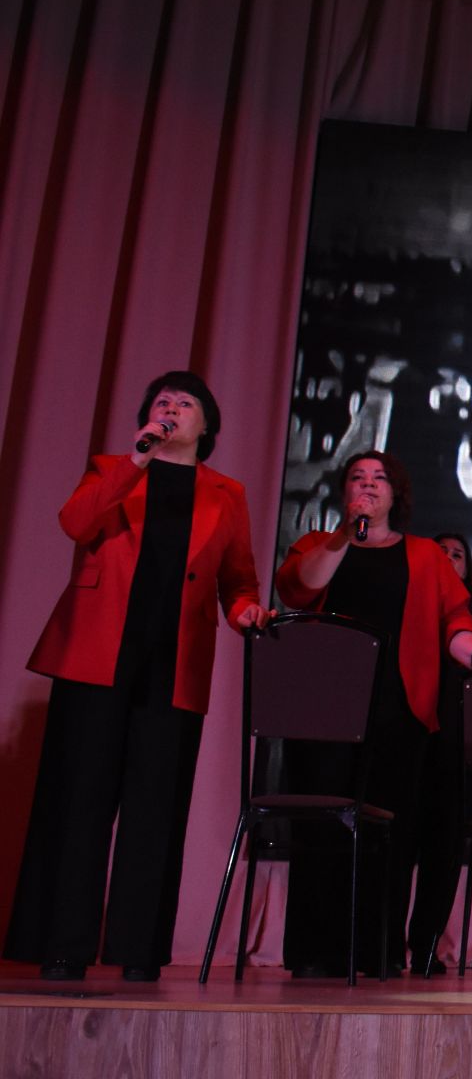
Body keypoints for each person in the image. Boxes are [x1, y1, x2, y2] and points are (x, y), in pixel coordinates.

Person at [5, 371, 268, 982]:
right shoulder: (114, 468)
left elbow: (239, 579)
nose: (171, 408)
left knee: (156, 810)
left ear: (207, 425)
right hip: (96, 657)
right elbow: (76, 523)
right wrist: (136, 459)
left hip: (172, 665)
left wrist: (244, 612)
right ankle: (64, 945)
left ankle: (139, 950)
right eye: (162, 401)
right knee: (81, 802)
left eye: (185, 402)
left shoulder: (226, 493)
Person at [273, 451, 472, 978]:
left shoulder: (425, 555)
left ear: (395, 493)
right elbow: (297, 588)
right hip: (324, 710)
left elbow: (456, 619)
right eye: (357, 478)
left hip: (396, 710)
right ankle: (315, 952)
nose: (368, 485)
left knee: (387, 836)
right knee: (322, 828)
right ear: (344, 492)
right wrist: (344, 534)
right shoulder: (318, 544)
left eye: (379, 478)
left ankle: (375, 951)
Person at [402, 532, 472, 974]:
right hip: (409, 740)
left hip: (456, 747)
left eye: (457, 554)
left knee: (443, 854)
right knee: (398, 845)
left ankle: (425, 946)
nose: (446, 558)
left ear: (468, 572)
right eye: (439, 551)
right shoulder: (408, 605)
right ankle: (383, 945)